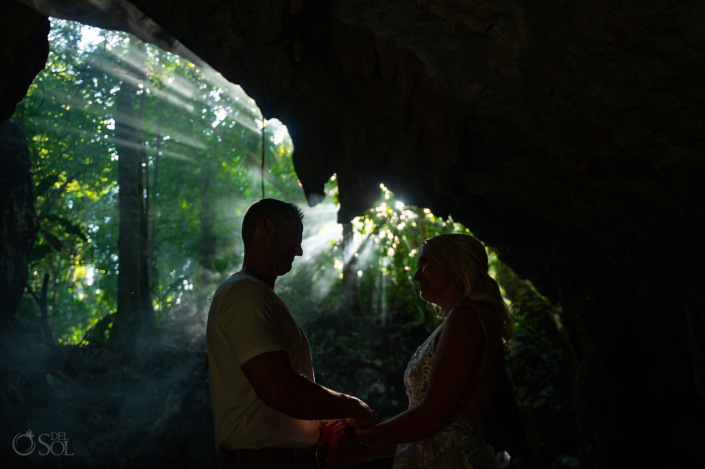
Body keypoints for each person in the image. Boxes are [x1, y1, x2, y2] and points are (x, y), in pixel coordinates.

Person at [206, 199, 378, 468]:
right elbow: (280, 389)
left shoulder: (259, 296)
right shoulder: (244, 294)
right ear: (266, 227)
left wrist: (323, 427)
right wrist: (355, 408)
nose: (298, 250)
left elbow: (278, 399)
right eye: (295, 237)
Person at [325, 233, 513, 468]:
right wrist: (364, 453)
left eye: (425, 262)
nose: (416, 276)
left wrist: (363, 436)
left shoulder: (466, 317)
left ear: (452, 263)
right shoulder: (466, 318)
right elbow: (432, 426)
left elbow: (433, 415)